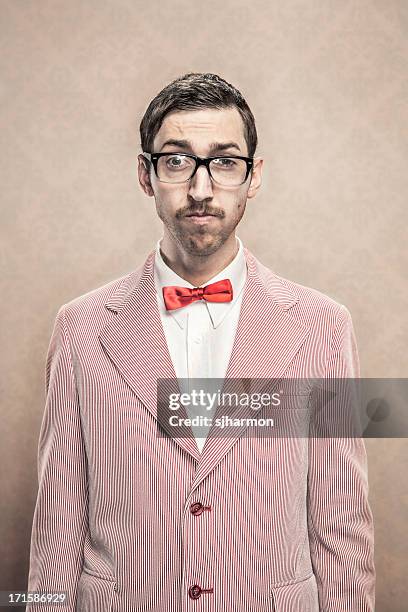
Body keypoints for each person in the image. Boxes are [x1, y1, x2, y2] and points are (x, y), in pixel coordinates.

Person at [26, 72, 375, 611]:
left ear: (253, 176)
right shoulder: (79, 328)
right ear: (146, 175)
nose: (201, 189)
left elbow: (340, 528)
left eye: (225, 161)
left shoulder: (323, 327)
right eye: (176, 160)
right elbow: (56, 531)